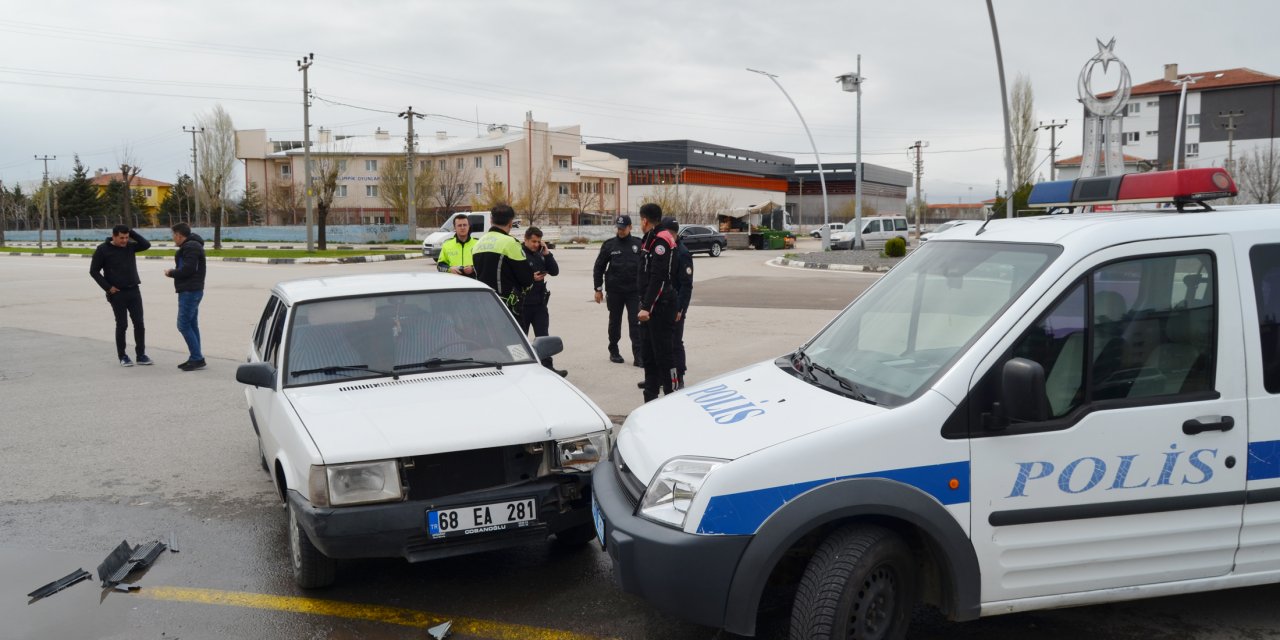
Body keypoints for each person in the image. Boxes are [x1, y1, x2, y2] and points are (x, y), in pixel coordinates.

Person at [638, 217, 693, 391]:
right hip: (661, 303)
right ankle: (658, 379)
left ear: (672, 233)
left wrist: (680, 308)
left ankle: (679, 377)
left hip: (673, 305)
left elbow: (686, 284)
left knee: (674, 344)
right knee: (657, 346)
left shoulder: (682, 252)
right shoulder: (663, 247)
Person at [89, 224, 153, 367]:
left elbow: (146, 244)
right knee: (122, 325)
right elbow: (93, 271)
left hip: (134, 290)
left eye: (126, 237)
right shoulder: (103, 250)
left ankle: (141, 355)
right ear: (114, 236)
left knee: (139, 323)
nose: (124, 241)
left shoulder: (130, 246)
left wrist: (132, 233)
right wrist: (108, 288)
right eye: (121, 238)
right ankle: (123, 356)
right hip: (117, 293)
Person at [636, 203, 679, 402]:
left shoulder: (661, 240)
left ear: (644, 220)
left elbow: (659, 277)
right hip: (649, 305)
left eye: (640, 219)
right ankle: (650, 398)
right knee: (649, 355)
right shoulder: (650, 238)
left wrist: (647, 307)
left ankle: (673, 397)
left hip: (660, 307)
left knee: (664, 356)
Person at [593, 214, 644, 366]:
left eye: (624, 228)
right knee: (615, 322)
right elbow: (599, 267)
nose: (620, 231)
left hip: (634, 292)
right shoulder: (609, 245)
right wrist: (598, 289)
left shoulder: (638, 244)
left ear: (630, 228)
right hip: (615, 291)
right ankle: (614, 351)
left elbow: (645, 268)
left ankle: (639, 356)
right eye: (619, 228)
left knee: (636, 323)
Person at [519, 226, 566, 377]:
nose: (536, 244)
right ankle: (520, 368)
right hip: (523, 304)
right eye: (533, 241)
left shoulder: (540, 254)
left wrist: (547, 253)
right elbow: (514, 277)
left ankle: (547, 367)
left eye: (538, 242)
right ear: (525, 240)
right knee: (521, 338)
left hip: (539, 304)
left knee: (543, 337)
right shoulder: (519, 254)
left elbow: (555, 271)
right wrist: (530, 278)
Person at [472, 204, 534, 317]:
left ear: (491, 220)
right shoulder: (510, 243)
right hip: (506, 307)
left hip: (483, 303)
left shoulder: (478, 243)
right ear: (511, 223)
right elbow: (526, 279)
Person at [164, 223, 207, 371]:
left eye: (173, 235)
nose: (173, 238)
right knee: (191, 324)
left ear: (178, 235)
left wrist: (171, 272)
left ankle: (197, 358)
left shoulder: (190, 247)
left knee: (183, 325)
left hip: (190, 291)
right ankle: (196, 356)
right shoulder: (191, 246)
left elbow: (188, 269)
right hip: (191, 289)